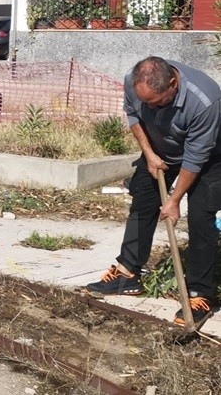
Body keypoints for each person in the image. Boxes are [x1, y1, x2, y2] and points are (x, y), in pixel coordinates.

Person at [85, 56, 221, 326]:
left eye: (157, 102)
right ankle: (127, 273)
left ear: (173, 83)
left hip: (208, 159)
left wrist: (174, 200)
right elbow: (133, 115)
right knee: (143, 201)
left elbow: (195, 158)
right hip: (160, 150)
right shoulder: (133, 80)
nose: (151, 107)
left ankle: (200, 295)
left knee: (200, 217)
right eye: (146, 102)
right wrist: (149, 154)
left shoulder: (205, 101)